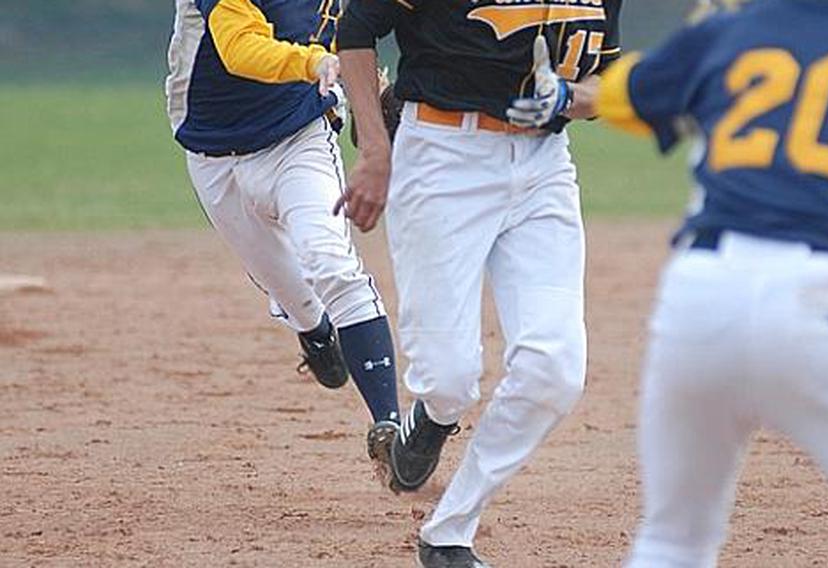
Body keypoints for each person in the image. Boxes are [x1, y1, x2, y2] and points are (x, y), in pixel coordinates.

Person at [534, 0, 828, 564]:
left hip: (700, 297)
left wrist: (561, 94)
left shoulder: (735, 24)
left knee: (672, 538)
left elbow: (624, 92)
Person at [336, 2, 622, 566]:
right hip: (443, 156)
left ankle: (449, 532)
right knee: (448, 379)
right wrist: (375, 147)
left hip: (543, 165)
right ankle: (432, 416)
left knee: (556, 369)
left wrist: (569, 99)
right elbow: (356, 29)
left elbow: (603, 84)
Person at [164, 0, 401, 472]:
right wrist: (313, 62)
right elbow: (239, 47)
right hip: (215, 155)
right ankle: (313, 332)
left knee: (332, 264)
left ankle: (393, 436)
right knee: (292, 291)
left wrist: (378, 92)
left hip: (300, 136)